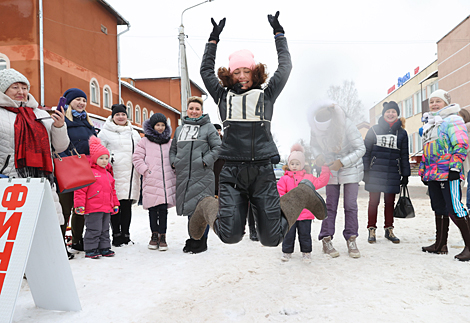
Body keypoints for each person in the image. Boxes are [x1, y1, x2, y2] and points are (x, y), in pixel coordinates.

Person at [190, 12, 326, 248]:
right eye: (236, 72)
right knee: (230, 235)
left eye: (246, 70)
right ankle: (205, 206)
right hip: (232, 173)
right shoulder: (223, 97)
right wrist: (213, 40)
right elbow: (205, 71)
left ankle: (302, 194)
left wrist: (279, 34)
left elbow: (286, 65)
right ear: (230, 75)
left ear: (255, 72)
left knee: (272, 238)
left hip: (262, 171)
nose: (241, 76)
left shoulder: (267, 95)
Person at [0, 68, 70, 255]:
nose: (21, 91)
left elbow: (60, 147)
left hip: (42, 180)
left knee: (43, 225)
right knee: (14, 228)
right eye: (15, 87)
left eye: (24, 87)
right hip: (10, 180)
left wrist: (59, 126)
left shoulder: (40, 114)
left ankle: (41, 265)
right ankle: (17, 267)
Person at [309, 100, 366, 258]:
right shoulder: (315, 128)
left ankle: (351, 238)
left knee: (350, 205)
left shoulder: (346, 125)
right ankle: (326, 239)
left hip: (350, 168)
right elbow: (314, 145)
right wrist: (318, 156)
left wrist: (342, 162)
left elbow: (361, 148)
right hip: (330, 168)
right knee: (330, 205)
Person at [420, 89, 470, 261]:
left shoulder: (453, 120)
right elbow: (426, 152)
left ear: (446, 103)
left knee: (455, 209)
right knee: (439, 208)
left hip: (449, 173)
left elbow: (461, 144)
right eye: (432, 101)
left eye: (438, 101)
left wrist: (455, 169)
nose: (434, 104)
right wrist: (423, 172)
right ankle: (440, 244)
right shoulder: (430, 124)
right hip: (433, 175)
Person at [169, 96, 221, 254]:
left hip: (203, 176)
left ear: (202, 111)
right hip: (185, 176)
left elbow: (218, 147)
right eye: (191, 108)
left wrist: (205, 161)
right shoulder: (180, 129)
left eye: (197, 109)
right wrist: (174, 162)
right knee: (190, 209)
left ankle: (201, 242)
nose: (194, 111)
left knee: (200, 210)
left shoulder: (209, 128)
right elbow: (173, 150)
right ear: (187, 110)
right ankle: (193, 239)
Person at [363, 101, 410, 244]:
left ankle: (389, 229)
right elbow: (366, 152)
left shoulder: (402, 133)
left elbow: (404, 155)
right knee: (373, 202)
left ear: (397, 114)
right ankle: (372, 229)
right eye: (388, 111)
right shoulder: (374, 130)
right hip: (375, 172)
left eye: (393, 112)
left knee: (390, 203)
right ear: (383, 114)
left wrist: (405, 174)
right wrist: (365, 171)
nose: (390, 114)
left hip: (393, 173)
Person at [58, 88, 96, 254]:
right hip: (66, 169)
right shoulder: (61, 119)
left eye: (84, 100)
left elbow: (94, 145)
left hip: (84, 169)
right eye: (78, 99)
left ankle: (77, 240)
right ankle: (59, 245)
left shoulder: (88, 122)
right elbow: (57, 142)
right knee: (64, 209)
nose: (81, 103)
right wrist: (68, 159)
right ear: (69, 101)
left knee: (80, 208)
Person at [278, 144, 331, 262]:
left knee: (305, 235)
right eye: (292, 164)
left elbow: (321, 182)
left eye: (297, 164)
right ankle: (286, 252)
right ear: (288, 164)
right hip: (290, 214)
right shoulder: (284, 179)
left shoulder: (308, 178)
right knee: (288, 234)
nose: (294, 166)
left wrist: (325, 169)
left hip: (305, 213)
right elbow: (280, 192)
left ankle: (306, 253)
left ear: (302, 164)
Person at [98, 104, 141, 246]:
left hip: (129, 175)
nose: (121, 117)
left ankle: (126, 234)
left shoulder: (133, 133)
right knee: (115, 206)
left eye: (123, 114)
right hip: (113, 173)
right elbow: (98, 151)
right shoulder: (105, 132)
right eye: (117, 115)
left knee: (127, 205)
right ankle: (116, 234)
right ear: (112, 116)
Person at [133, 113, 176, 251]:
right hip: (151, 180)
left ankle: (163, 236)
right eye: (158, 125)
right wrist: (146, 170)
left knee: (163, 210)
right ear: (152, 126)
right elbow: (137, 158)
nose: (160, 128)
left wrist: (174, 168)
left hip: (166, 182)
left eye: (163, 125)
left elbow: (175, 157)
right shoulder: (144, 141)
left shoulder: (169, 142)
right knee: (152, 210)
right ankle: (154, 235)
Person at [74, 136, 119, 259]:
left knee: (105, 229)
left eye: (106, 158)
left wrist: (115, 204)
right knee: (94, 229)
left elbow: (112, 191)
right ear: (94, 159)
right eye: (101, 158)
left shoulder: (108, 174)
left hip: (106, 207)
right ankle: (91, 249)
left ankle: (104, 247)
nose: (104, 161)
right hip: (93, 207)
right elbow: (80, 191)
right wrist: (79, 205)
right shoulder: (88, 173)